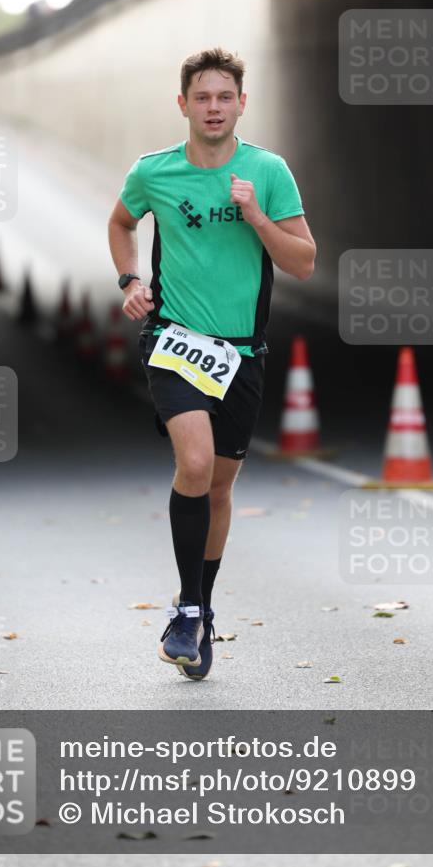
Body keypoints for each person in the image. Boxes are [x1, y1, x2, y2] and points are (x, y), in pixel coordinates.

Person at [107, 47, 316, 679]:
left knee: (219, 488)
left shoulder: (268, 171)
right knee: (194, 464)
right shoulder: (154, 171)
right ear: (184, 105)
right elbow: (121, 223)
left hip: (242, 354)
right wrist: (130, 279)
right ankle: (190, 611)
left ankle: (197, 603)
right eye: (202, 97)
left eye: (225, 97)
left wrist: (256, 216)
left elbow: (303, 261)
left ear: (242, 103)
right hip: (175, 344)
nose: (214, 107)